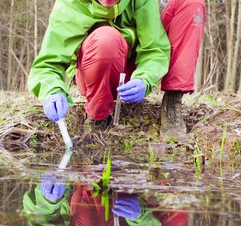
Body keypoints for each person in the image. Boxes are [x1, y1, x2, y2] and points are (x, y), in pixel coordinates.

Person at [28, 0, 205, 139]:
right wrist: (52, 90)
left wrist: (145, 78)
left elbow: (155, 48)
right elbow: (48, 63)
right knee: (107, 39)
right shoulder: (70, 4)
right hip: (94, 69)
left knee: (190, 2)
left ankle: (172, 102)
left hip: (133, 70)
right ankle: (99, 114)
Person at [22, 174, 192, 226]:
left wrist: (48, 200)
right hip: (130, 206)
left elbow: (44, 224)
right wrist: (140, 216)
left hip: (88, 211)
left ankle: (91, 179)